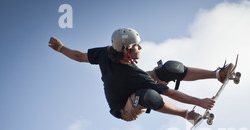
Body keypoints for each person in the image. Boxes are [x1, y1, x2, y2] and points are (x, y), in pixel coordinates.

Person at [48, 28, 233, 124]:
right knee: (148, 95)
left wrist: (61, 48)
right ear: (127, 50)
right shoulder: (132, 74)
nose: (141, 48)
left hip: (132, 84)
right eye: (137, 46)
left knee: (170, 68)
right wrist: (199, 101)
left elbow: (80, 57)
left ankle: (218, 74)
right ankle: (186, 115)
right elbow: (169, 93)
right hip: (125, 108)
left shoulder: (106, 52)